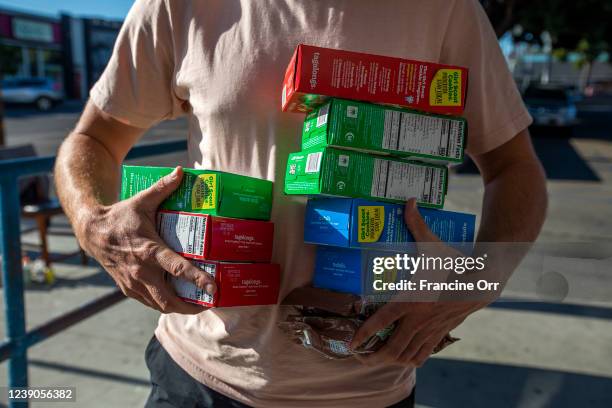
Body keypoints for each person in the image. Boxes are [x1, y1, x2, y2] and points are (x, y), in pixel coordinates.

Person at [54, 0, 547, 407]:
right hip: (199, 373)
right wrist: (93, 224)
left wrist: (477, 280)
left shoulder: (445, 10)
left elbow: (514, 168)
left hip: (369, 388)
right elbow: (92, 139)